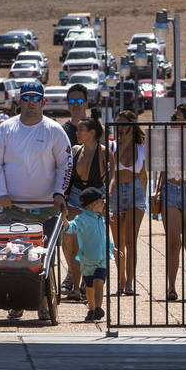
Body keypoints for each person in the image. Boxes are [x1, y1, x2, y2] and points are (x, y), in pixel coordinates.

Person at [0, 80, 72, 321]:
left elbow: (65, 164)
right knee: (12, 256)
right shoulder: (5, 129)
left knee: (43, 257)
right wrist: (1, 192)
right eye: (27, 98)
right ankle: (17, 302)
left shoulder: (54, 130)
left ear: (43, 102)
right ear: (19, 101)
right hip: (12, 207)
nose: (31, 103)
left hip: (46, 208)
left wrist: (58, 193)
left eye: (36, 99)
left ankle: (44, 302)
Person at [152, 102, 186, 301]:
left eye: (176, 118)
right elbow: (162, 170)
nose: (172, 121)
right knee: (173, 241)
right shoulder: (168, 140)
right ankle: (171, 287)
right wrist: (157, 190)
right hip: (170, 190)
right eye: (173, 117)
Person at [62, 117, 111, 300]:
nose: (77, 132)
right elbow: (66, 176)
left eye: (81, 129)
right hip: (75, 197)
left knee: (90, 245)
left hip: (95, 201)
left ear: (92, 132)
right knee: (71, 242)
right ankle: (76, 285)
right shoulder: (75, 150)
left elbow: (112, 179)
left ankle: (87, 282)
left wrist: (106, 202)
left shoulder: (105, 153)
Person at [110, 110, 148, 296]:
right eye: (117, 124)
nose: (120, 128)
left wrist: (144, 200)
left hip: (135, 192)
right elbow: (110, 170)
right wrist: (123, 143)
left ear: (132, 126)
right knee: (118, 242)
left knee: (130, 241)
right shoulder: (112, 147)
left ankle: (130, 283)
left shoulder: (142, 149)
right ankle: (121, 278)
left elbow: (144, 176)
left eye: (124, 124)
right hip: (115, 190)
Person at [65, 187, 112, 322]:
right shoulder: (82, 219)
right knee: (90, 287)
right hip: (87, 261)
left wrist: (112, 248)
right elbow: (71, 227)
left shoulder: (100, 219)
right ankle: (91, 310)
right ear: (92, 205)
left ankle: (98, 307)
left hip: (102, 259)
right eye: (101, 202)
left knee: (99, 282)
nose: (104, 204)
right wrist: (64, 220)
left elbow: (104, 237)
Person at [62, 83, 89, 147]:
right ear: (68, 105)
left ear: (86, 103)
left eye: (80, 101)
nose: (75, 104)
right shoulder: (62, 132)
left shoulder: (96, 129)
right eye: (71, 101)